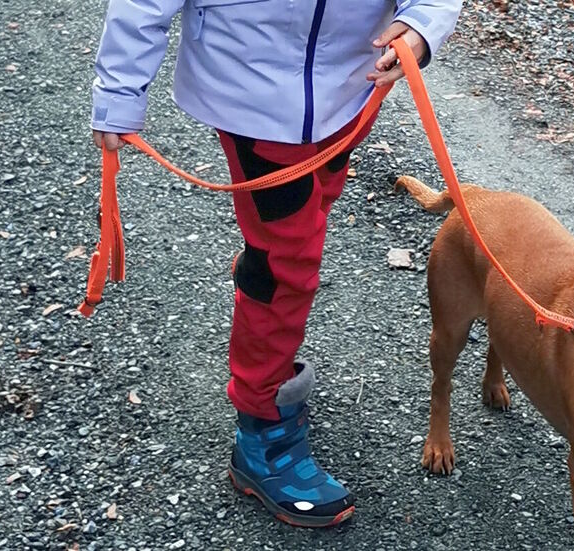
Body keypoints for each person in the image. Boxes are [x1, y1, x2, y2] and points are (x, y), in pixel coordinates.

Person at [90, 0, 462, 527]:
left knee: (299, 230)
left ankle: (263, 278)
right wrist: (119, 92)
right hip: (251, 91)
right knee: (286, 263)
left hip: (352, 89)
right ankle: (261, 424)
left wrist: (423, 24)